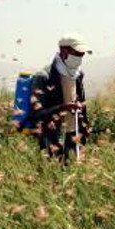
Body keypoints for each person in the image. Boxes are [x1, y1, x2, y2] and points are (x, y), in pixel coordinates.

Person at [31, 33, 92, 162]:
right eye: (77, 53)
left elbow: (81, 102)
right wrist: (64, 107)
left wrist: (85, 126)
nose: (81, 57)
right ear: (64, 51)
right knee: (55, 176)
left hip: (74, 135)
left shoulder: (78, 74)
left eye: (82, 54)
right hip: (52, 138)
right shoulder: (43, 76)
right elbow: (37, 114)